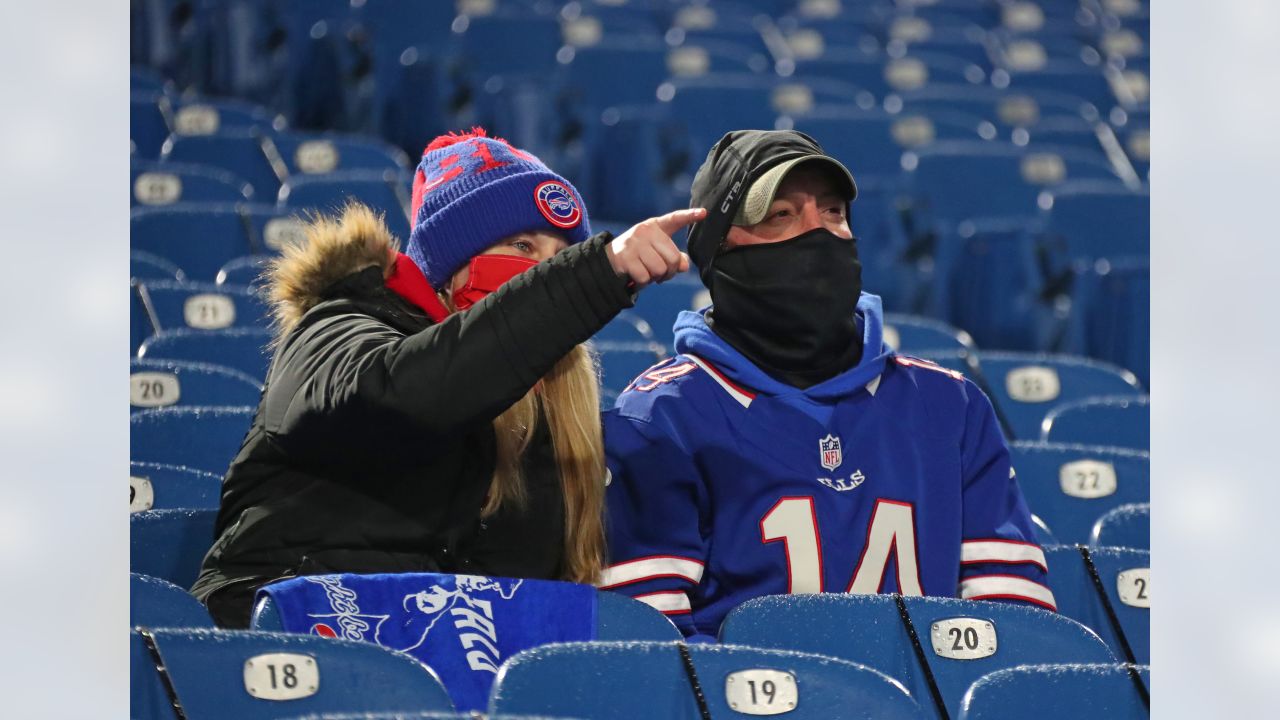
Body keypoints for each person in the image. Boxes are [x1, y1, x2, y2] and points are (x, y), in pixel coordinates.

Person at [190, 128, 704, 628]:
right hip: (277, 646)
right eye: (522, 246)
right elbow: (406, 400)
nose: (540, 272)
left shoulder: (552, 418)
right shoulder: (335, 328)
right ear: (450, 261)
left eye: (559, 259)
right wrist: (592, 276)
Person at [600, 129, 1053, 639]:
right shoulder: (660, 417)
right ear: (717, 252)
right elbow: (653, 650)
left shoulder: (952, 405)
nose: (819, 234)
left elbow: (1015, 629)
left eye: (834, 213)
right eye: (782, 215)